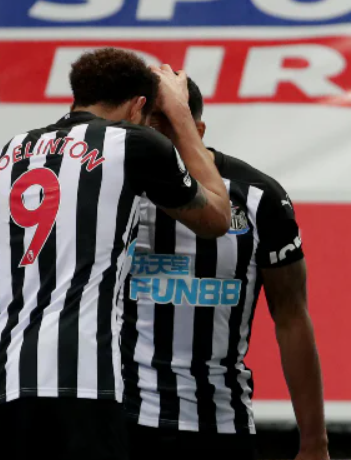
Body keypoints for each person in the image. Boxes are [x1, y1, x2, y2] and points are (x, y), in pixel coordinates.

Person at [0, 48, 231, 460]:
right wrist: (180, 117)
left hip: (8, 376)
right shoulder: (132, 142)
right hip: (82, 377)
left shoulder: (11, 150)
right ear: (138, 106)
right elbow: (216, 217)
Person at [122, 77, 329, 460]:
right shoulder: (113, 187)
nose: (152, 146)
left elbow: (291, 317)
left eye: (165, 131)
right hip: (120, 422)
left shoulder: (258, 197)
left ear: (197, 131)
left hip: (219, 423)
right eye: (143, 132)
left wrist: (315, 443)